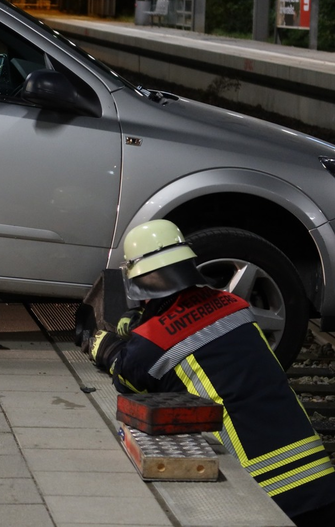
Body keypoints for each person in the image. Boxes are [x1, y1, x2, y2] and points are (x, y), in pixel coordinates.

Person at [82, 220, 335, 526]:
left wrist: (104, 345)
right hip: (319, 479)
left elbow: (126, 376)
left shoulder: (153, 340)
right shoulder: (236, 305)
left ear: (139, 283)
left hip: (263, 489)